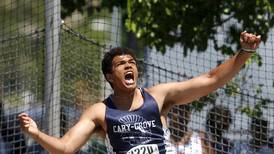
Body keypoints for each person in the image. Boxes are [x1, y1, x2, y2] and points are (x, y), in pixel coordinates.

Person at [18, 31, 261, 154]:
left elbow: (211, 79)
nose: (129, 65)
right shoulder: (99, 111)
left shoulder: (158, 96)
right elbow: (65, 148)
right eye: (121, 64)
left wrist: (244, 53)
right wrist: (37, 133)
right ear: (110, 77)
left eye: (132, 62)